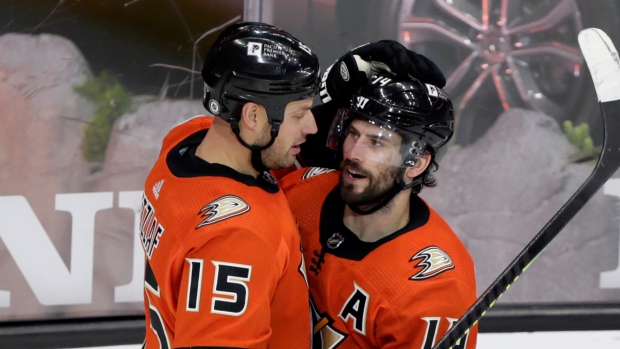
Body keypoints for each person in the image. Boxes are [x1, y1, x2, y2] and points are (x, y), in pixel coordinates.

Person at [139, 22, 320, 348]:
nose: (312, 126)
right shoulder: (237, 240)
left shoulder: (185, 141)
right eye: (300, 115)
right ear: (252, 116)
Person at [280, 70, 478, 348]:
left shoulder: (436, 289)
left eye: (376, 142)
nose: (352, 153)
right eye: (352, 134)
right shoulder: (302, 192)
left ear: (416, 163)